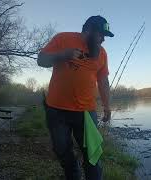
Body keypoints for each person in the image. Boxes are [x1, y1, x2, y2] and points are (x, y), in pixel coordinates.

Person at [37, 15, 114, 180]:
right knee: (62, 151)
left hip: (87, 113)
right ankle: (74, 175)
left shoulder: (102, 54)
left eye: (104, 37)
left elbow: (103, 81)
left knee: (92, 156)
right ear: (89, 30)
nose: (103, 40)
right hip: (57, 111)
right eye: (101, 35)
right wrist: (64, 55)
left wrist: (107, 106)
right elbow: (41, 60)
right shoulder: (62, 39)